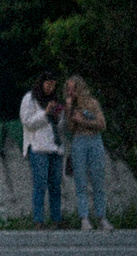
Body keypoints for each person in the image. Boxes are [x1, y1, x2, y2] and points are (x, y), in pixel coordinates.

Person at [61, 72, 110, 229]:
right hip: (79, 141)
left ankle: (101, 217)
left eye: (73, 89)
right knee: (80, 181)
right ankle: (84, 218)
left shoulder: (92, 104)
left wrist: (84, 121)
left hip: (94, 140)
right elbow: (71, 128)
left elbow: (102, 124)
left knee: (97, 179)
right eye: (68, 89)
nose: (70, 92)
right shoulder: (71, 106)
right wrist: (69, 110)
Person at [22, 75, 65, 227]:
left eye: (53, 85)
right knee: (40, 185)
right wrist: (45, 113)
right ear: (41, 83)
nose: (50, 88)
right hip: (38, 147)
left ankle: (56, 219)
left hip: (55, 147)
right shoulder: (30, 99)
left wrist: (59, 116)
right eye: (48, 84)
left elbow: (60, 126)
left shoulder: (55, 99)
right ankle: (38, 220)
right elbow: (27, 122)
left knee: (55, 185)